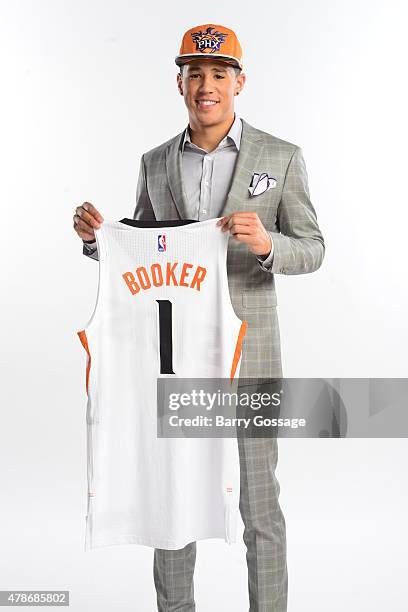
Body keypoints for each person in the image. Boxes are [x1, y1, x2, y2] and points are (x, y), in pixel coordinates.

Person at [73, 22, 325, 612]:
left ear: (240, 82)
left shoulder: (279, 157)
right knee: (174, 502)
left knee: (259, 506)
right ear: (180, 84)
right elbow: (142, 247)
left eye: (218, 73)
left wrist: (267, 244)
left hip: (252, 353)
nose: (205, 85)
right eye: (194, 74)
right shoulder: (155, 163)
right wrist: (98, 242)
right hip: (176, 358)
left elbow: (313, 249)